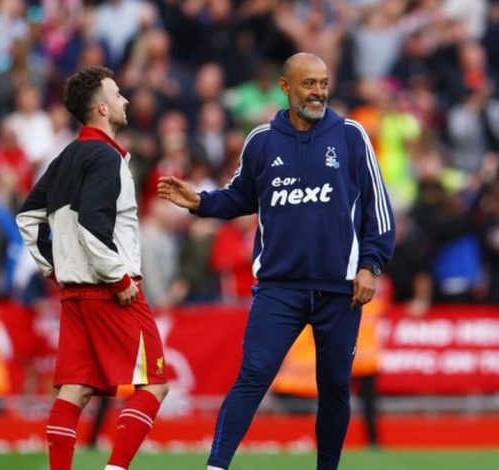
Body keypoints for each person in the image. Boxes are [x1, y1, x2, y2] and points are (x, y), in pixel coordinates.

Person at [158, 52, 395, 470]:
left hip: (339, 289)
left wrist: (370, 266)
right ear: (285, 88)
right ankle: (216, 467)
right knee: (254, 375)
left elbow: (379, 210)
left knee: (335, 387)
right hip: (279, 287)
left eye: (323, 83)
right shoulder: (262, 141)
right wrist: (199, 202)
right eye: (309, 84)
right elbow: (241, 197)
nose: (319, 92)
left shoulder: (352, 136)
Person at [16, 65, 169, 470]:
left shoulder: (65, 156)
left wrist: (54, 266)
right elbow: (91, 223)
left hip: (74, 293)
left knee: (75, 390)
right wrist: (118, 277)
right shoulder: (106, 156)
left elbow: (28, 218)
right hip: (112, 289)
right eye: (118, 94)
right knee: (154, 384)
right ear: (101, 107)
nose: (126, 100)